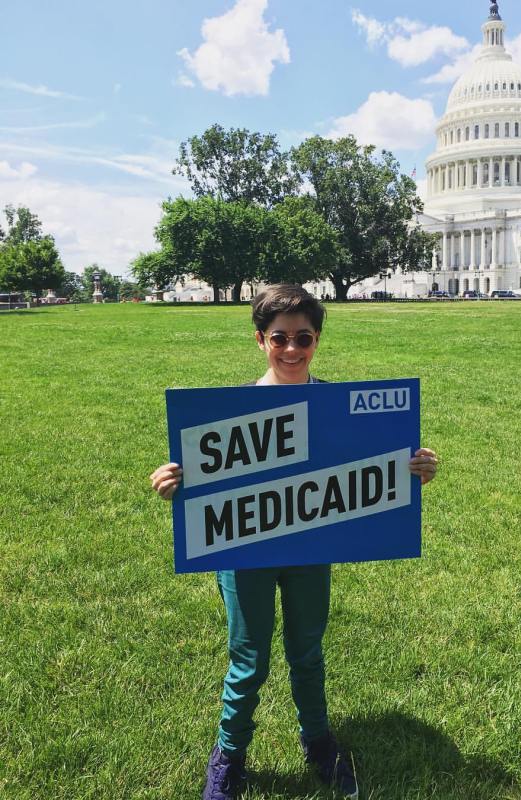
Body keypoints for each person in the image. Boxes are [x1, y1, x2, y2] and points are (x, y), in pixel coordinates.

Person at [150, 284, 438, 800]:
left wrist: (415, 468)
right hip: (245, 553)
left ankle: (319, 743)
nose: (291, 349)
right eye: (279, 337)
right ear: (260, 340)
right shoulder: (226, 414)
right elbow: (201, 481)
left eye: (302, 338)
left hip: (310, 550)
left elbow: (376, 470)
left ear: (317, 340)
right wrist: (174, 482)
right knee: (249, 656)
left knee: (307, 651)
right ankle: (229, 754)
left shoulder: (338, 407)